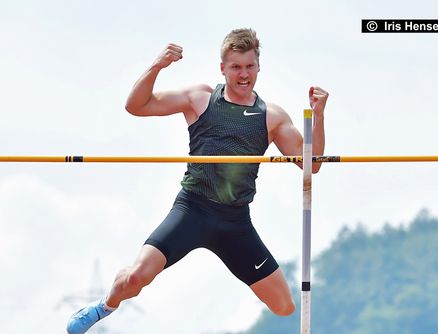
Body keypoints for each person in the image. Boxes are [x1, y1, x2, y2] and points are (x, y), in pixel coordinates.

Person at [66, 28, 329, 334]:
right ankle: (104, 306)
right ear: (223, 68)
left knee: (284, 306)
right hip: (192, 210)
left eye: (249, 66)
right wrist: (157, 66)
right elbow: (136, 106)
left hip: (235, 223)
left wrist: (319, 117)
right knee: (135, 279)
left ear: (258, 66)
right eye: (236, 67)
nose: (243, 75)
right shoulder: (200, 99)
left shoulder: (271, 116)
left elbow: (311, 165)